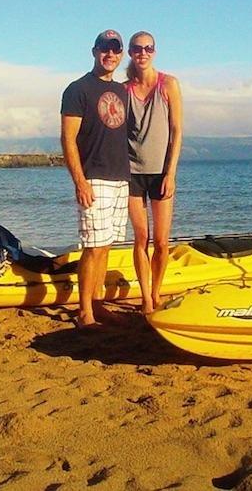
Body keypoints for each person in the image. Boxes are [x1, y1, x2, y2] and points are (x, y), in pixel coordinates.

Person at [60, 29, 130, 328]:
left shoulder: (123, 92)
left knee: (107, 245)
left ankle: (98, 302)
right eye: (105, 48)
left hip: (120, 177)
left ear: (121, 54)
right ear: (94, 51)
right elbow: (67, 139)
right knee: (93, 246)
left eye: (115, 49)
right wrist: (80, 181)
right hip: (94, 177)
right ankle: (84, 310)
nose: (110, 54)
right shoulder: (77, 89)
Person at [124, 31, 183, 314]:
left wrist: (170, 173)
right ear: (131, 53)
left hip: (161, 172)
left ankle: (157, 291)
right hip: (132, 172)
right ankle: (146, 298)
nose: (143, 53)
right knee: (141, 238)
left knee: (161, 241)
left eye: (148, 48)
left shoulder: (168, 84)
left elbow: (177, 131)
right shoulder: (122, 91)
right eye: (137, 49)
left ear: (155, 52)